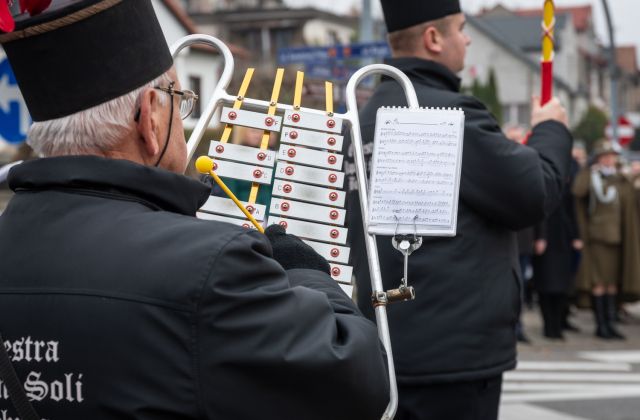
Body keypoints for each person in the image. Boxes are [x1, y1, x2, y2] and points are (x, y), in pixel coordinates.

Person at [0, 1, 389, 419]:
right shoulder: (211, 267)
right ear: (149, 119)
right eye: (179, 98)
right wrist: (306, 271)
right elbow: (359, 379)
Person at [345, 1, 573, 419]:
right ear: (434, 38)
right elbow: (533, 193)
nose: (467, 39)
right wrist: (551, 129)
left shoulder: (365, 116)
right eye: (462, 29)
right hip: (452, 356)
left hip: (385, 346)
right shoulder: (447, 115)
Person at [573, 140, 640, 340]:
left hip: (618, 238)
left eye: (611, 156)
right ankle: (601, 325)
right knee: (599, 283)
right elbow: (578, 192)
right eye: (605, 156)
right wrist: (588, 170)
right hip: (598, 238)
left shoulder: (620, 180)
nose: (609, 160)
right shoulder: (593, 177)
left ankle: (611, 323)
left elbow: (631, 201)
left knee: (612, 283)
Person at [532, 159, 581, 340]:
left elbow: (572, 212)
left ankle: (558, 325)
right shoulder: (543, 184)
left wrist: (576, 236)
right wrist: (540, 237)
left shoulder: (566, 186)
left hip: (563, 240)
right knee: (546, 285)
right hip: (547, 240)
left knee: (561, 286)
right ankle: (549, 326)